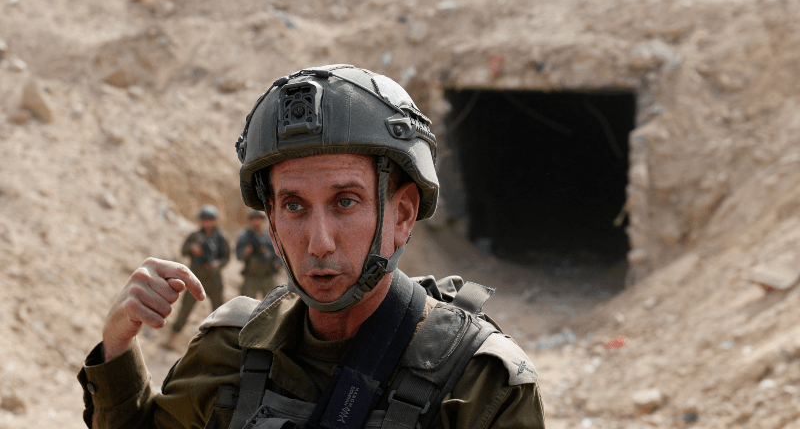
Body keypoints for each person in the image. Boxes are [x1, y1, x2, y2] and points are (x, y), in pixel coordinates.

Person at [77, 65, 546, 429]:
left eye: (345, 201)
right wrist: (118, 345)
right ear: (273, 224)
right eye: (294, 206)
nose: (319, 243)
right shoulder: (229, 350)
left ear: (401, 215)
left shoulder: (477, 383)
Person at [165, 204, 231, 349]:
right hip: (196, 279)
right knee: (185, 308)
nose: (206, 222)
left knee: (218, 311)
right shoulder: (195, 236)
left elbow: (226, 257)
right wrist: (192, 249)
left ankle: (220, 344)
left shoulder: (221, 238)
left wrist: (216, 264)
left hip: (214, 279)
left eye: (209, 219)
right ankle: (173, 337)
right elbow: (183, 251)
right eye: (204, 219)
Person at [236, 209, 281, 299]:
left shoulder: (270, 235)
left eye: (258, 219)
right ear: (250, 220)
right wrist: (246, 252)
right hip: (251, 277)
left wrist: (278, 264)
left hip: (268, 276)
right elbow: (239, 255)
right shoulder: (245, 235)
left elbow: (278, 252)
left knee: (271, 305)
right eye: (254, 219)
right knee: (248, 304)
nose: (256, 221)